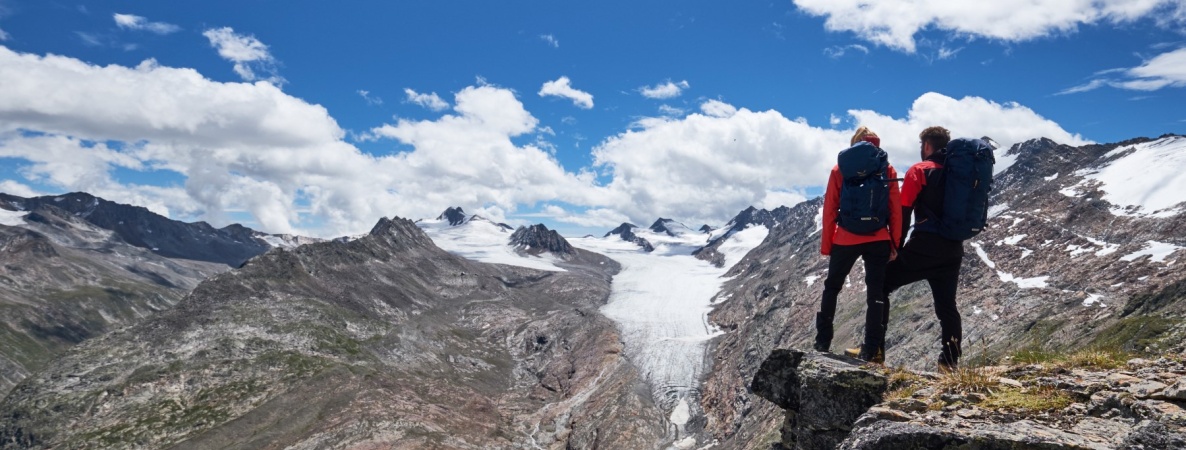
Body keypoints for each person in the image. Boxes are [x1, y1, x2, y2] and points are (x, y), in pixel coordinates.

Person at [880, 126, 966, 372]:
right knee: (947, 306)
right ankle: (949, 362)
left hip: (925, 246)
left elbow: (903, 212)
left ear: (927, 145)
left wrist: (895, 247)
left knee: (881, 283)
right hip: (953, 250)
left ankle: (874, 351)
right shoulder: (958, 173)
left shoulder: (920, 171)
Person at [816, 126, 901, 363]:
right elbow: (895, 209)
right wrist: (894, 243)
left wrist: (827, 245)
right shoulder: (887, 168)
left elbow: (830, 208)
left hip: (845, 236)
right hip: (878, 239)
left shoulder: (840, 168)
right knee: (875, 293)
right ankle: (871, 349)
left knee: (832, 287)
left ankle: (822, 341)